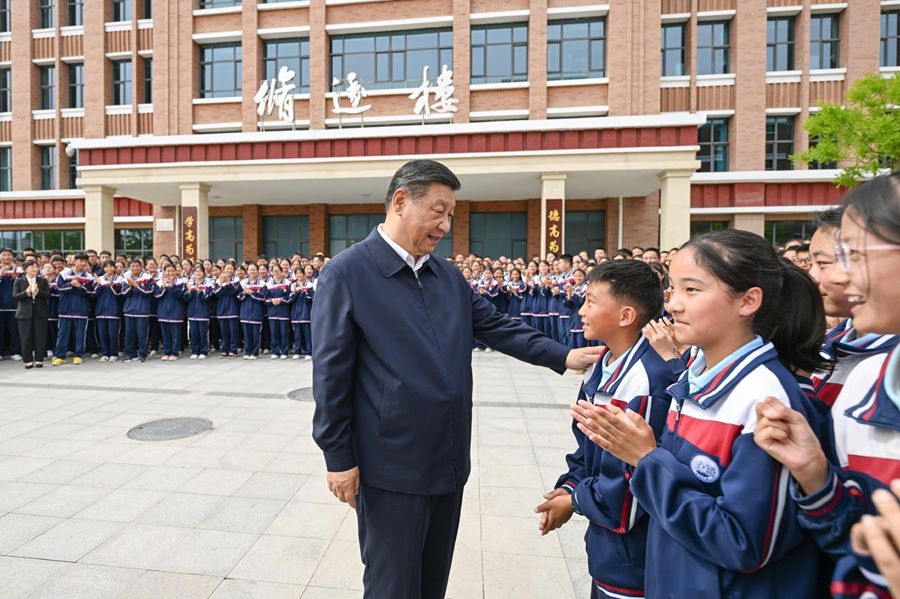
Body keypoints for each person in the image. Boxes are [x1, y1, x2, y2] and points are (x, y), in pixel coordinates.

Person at [311, 159, 601, 599]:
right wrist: (338, 456)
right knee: (392, 584)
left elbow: (497, 326)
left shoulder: (446, 275)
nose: (445, 224)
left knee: (432, 581)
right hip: (389, 465)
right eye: (439, 211)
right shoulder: (348, 273)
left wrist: (563, 355)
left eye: (451, 214)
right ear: (401, 201)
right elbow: (330, 372)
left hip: (446, 458)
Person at [572, 229, 827, 598]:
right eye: (672, 289)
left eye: (692, 290)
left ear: (748, 301)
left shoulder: (765, 401)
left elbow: (743, 542)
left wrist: (646, 460)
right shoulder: (694, 382)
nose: (673, 305)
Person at [753, 171, 900, 599]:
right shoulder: (867, 381)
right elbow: (850, 545)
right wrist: (816, 475)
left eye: (853, 254)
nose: (837, 278)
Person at [536, 260, 677, 599]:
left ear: (626, 316)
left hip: (632, 555)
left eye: (592, 301)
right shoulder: (604, 363)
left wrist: (575, 499)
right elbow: (586, 446)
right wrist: (570, 484)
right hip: (608, 547)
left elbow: (628, 488)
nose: (581, 310)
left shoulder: (645, 381)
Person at [51, 253, 96, 366]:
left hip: (81, 310)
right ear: (74, 261)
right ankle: (60, 356)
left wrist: (79, 286)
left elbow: (90, 292)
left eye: (85, 261)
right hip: (65, 309)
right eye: (80, 261)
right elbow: (59, 288)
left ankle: (78, 355)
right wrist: (71, 284)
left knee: (80, 334)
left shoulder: (89, 277)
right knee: (63, 334)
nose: (83, 263)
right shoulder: (64, 273)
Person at [13, 261, 50, 369]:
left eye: (36, 267)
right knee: (25, 337)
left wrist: (39, 292)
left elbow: (48, 295)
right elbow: (15, 296)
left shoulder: (42, 281)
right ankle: (28, 360)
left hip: (40, 312)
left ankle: (39, 360)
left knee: (40, 336)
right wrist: (27, 292)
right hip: (24, 313)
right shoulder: (19, 281)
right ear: (25, 269)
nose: (35, 269)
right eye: (32, 267)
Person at [121, 259, 157, 363]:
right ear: (129, 268)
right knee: (129, 334)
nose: (135, 268)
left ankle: (142, 354)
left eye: (137, 266)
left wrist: (136, 285)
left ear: (141, 267)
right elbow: (124, 293)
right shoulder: (126, 277)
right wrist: (131, 285)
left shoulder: (147, 277)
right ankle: (130, 354)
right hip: (129, 310)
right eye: (132, 266)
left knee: (142, 334)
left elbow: (149, 291)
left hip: (142, 310)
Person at [94, 260, 124, 362]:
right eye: (106, 267)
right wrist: (99, 285)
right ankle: (105, 353)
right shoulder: (100, 279)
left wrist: (112, 284)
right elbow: (93, 295)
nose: (108, 269)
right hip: (101, 310)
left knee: (113, 334)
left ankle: (114, 353)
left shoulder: (120, 279)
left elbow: (120, 294)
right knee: (102, 334)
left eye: (111, 267)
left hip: (113, 311)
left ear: (114, 268)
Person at [155, 264, 186, 361]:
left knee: (175, 334)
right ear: (164, 272)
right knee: (165, 334)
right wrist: (163, 287)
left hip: (176, 311)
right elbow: (156, 295)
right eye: (168, 271)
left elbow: (181, 295)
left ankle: (174, 352)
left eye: (172, 271)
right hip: (163, 312)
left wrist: (172, 285)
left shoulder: (181, 282)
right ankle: (166, 352)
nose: (170, 273)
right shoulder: (159, 282)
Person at [238, 263, 267, 360]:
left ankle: (255, 353)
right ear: (247, 271)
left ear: (257, 271)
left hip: (256, 312)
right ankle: (247, 351)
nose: (252, 271)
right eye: (250, 270)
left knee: (255, 334)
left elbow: (263, 298)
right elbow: (238, 297)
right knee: (246, 334)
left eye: (254, 269)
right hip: (245, 312)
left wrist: (252, 293)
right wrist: (244, 292)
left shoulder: (262, 284)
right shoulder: (243, 283)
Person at [265, 263, 292, 359]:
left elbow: (290, 297)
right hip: (272, 312)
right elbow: (264, 298)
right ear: (271, 272)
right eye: (274, 271)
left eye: (278, 271)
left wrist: (281, 300)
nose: (276, 272)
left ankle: (284, 351)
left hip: (283, 311)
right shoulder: (268, 284)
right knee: (274, 332)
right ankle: (275, 351)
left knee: (284, 332)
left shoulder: (287, 283)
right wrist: (271, 301)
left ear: (281, 272)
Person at [0, 248, 23, 360]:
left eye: (9, 255)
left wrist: (15, 278)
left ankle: (15, 352)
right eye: (4, 255)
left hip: (14, 305)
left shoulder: (18, 270)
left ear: (12, 257)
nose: (6, 257)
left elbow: (22, 286)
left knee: (14, 330)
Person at [185, 265, 212, 359]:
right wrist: (189, 291)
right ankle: (195, 351)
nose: (198, 273)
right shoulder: (190, 284)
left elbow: (208, 298)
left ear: (204, 273)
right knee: (193, 333)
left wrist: (200, 290)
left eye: (200, 271)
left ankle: (203, 351)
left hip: (203, 312)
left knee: (203, 333)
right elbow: (186, 299)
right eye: (196, 271)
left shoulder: (208, 283)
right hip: (192, 312)